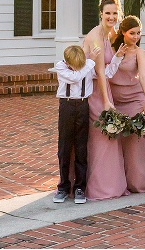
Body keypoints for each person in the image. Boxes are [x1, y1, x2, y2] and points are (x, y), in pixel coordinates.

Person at [99, 15, 145, 194]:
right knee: (115, 141)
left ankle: (138, 181)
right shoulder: (112, 46)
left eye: (138, 33)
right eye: (132, 33)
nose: (136, 37)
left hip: (134, 99)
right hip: (114, 99)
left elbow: (144, 76)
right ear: (123, 32)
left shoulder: (139, 52)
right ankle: (117, 181)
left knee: (135, 141)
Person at [82, 0, 128, 200]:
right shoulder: (95, 37)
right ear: (100, 14)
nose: (111, 17)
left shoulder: (108, 33)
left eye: (114, 13)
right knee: (101, 136)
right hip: (95, 92)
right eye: (107, 13)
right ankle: (99, 187)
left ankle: (110, 184)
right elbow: (100, 72)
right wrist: (106, 101)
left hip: (103, 88)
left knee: (107, 137)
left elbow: (106, 71)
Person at [50, 45, 100, 204]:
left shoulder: (87, 66)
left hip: (83, 105)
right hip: (67, 105)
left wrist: (117, 58)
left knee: (81, 147)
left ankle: (80, 188)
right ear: (67, 61)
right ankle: (63, 187)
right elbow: (75, 78)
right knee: (64, 147)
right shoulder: (60, 66)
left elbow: (106, 74)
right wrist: (90, 62)